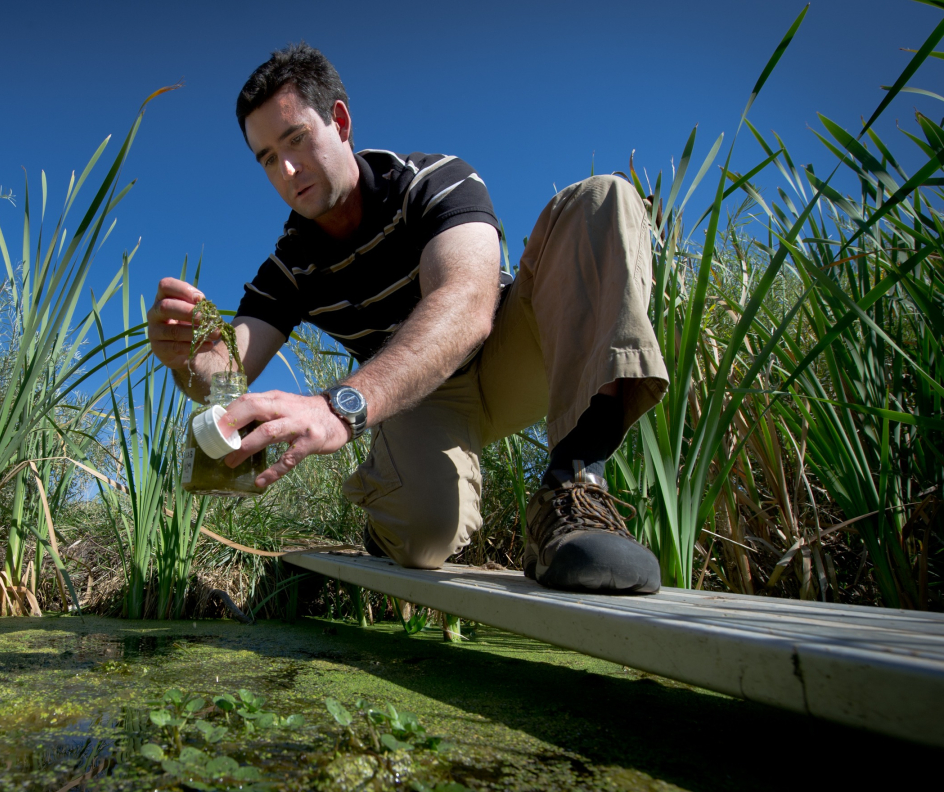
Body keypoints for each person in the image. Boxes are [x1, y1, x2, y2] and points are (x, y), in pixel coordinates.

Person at [145, 43, 670, 594]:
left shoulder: (433, 182)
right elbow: (229, 372)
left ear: (340, 122)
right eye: (269, 159)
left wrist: (337, 407)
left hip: (511, 354)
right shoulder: (289, 267)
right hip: (423, 400)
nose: (288, 170)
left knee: (601, 199)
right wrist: (193, 362)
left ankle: (573, 492)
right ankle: (389, 513)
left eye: (296, 139)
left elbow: (466, 304)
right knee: (423, 539)